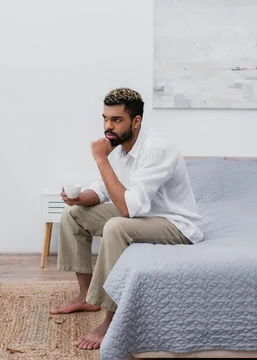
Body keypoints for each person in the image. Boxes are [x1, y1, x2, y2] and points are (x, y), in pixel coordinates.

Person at [50, 87, 203, 350]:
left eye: (116, 120)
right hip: (142, 215)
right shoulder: (119, 147)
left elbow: (127, 210)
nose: (108, 127)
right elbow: (101, 190)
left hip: (173, 222)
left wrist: (101, 159)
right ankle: (87, 296)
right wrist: (77, 198)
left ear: (136, 121)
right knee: (73, 215)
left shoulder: (157, 149)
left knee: (116, 227)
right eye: (105, 119)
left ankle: (111, 317)